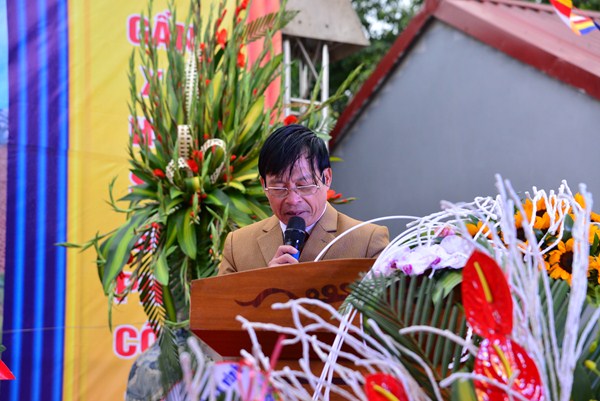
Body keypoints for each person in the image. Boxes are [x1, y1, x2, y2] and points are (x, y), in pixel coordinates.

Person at [218, 124, 389, 275]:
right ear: (264, 185)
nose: (293, 200)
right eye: (279, 188)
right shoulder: (237, 246)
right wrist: (265, 286)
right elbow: (220, 303)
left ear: (327, 178)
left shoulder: (368, 242)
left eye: (304, 185)